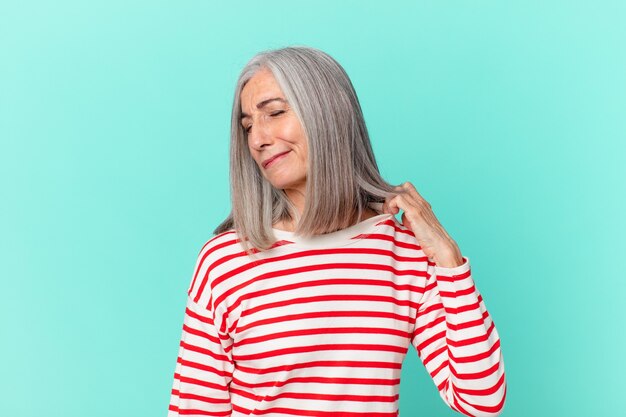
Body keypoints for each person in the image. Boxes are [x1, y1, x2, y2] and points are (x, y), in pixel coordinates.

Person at [167, 46, 506, 417]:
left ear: (328, 115)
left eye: (275, 113)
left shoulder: (401, 253)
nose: (257, 139)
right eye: (248, 126)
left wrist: (448, 259)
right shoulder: (225, 261)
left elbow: (481, 399)